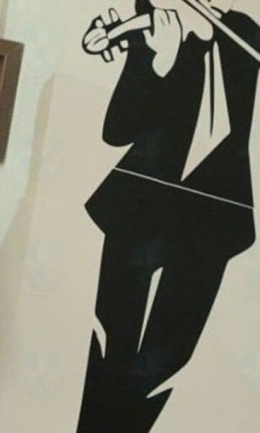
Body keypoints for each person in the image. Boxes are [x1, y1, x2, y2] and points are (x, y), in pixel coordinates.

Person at [77, 0, 259, 431]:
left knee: (167, 359)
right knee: (113, 345)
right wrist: (156, 60)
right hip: (140, 211)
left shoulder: (244, 32)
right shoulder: (155, 27)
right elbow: (116, 129)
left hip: (214, 219)